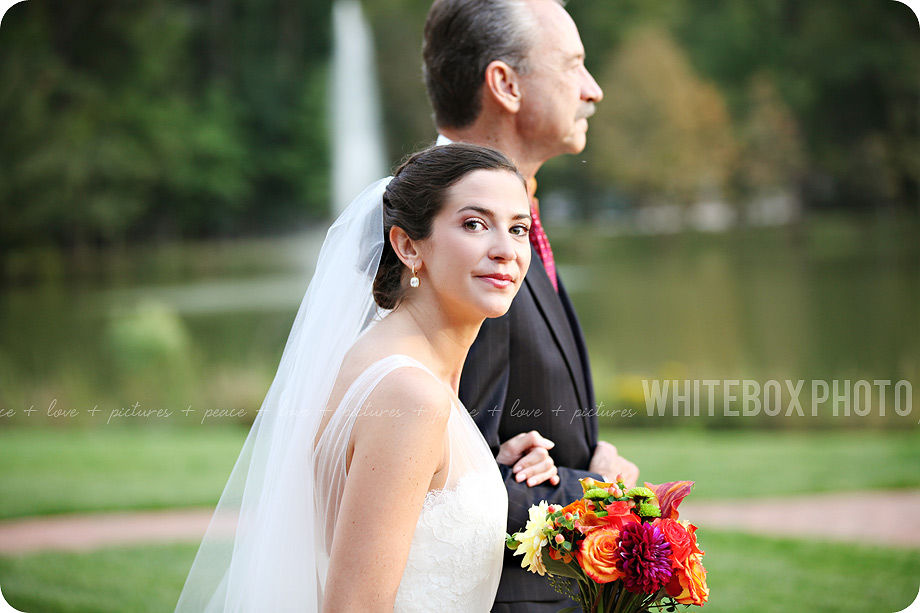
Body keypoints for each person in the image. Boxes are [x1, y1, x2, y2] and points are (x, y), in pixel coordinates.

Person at [175, 144, 557, 612]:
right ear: (407, 245)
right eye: (474, 224)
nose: (505, 251)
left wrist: (484, 468)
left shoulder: (385, 361)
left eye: (518, 228)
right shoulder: (411, 395)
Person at [423, 1, 640, 610]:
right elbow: (433, 482)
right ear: (506, 85)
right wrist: (600, 492)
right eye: (573, 65)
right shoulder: (445, 240)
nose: (593, 91)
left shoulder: (508, 219)